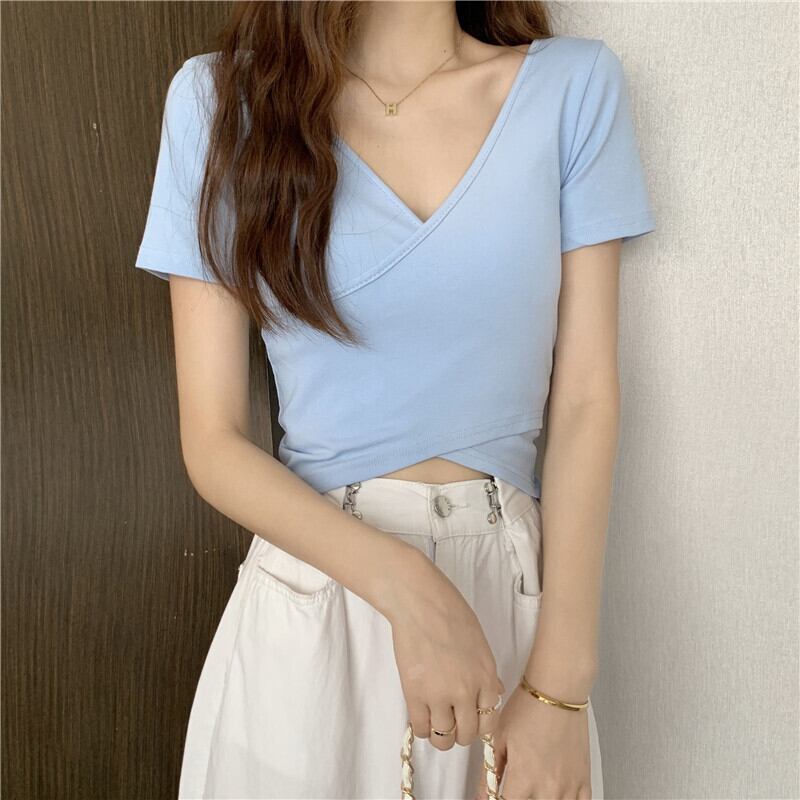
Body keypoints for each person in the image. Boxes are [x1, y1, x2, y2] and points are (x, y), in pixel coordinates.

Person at [133, 2, 656, 798]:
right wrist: (407, 588)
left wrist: (560, 688)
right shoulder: (222, 103)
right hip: (315, 606)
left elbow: (586, 400)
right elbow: (213, 441)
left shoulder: (572, 88)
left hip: (513, 618)